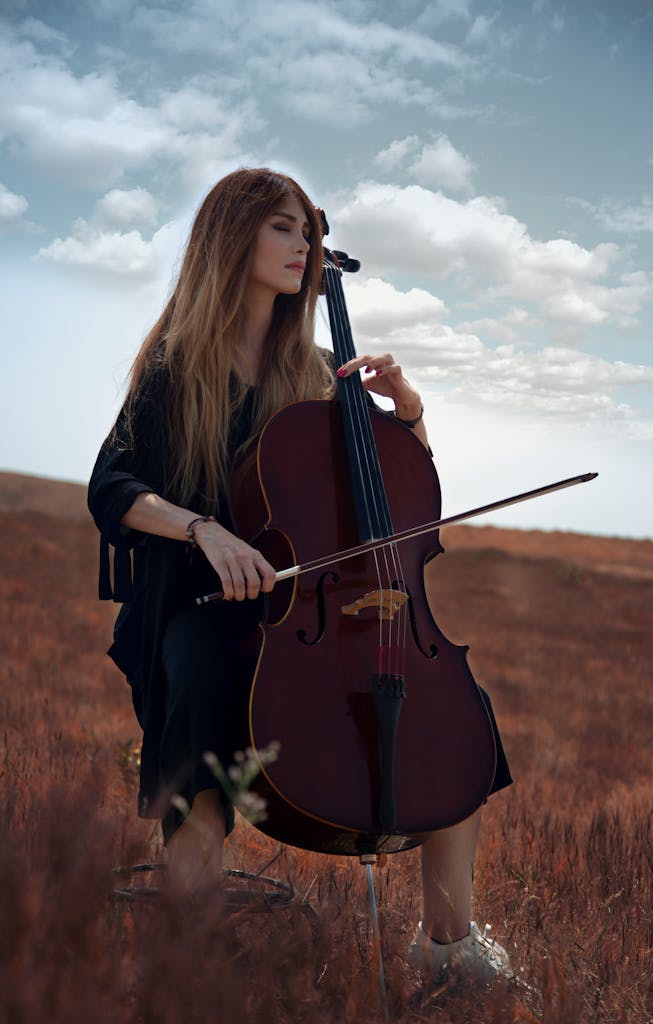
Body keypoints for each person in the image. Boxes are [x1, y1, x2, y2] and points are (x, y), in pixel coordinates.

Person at [88, 167, 514, 985]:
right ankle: (188, 942)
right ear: (232, 236)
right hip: (205, 601)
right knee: (202, 691)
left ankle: (450, 945)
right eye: (283, 228)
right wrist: (203, 530)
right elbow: (112, 488)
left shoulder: (318, 370)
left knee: (460, 712)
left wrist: (409, 412)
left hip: (310, 603)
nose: (302, 246)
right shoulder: (179, 365)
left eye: (306, 232)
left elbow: (397, 493)